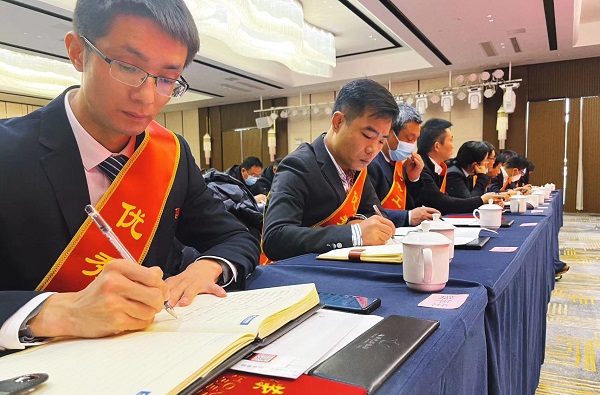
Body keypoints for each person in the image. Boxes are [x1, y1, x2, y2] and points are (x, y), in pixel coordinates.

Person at [0, 0, 259, 350]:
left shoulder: (172, 154)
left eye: (167, 78)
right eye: (127, 66)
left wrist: (205, 269)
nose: (146, 96)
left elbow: (236, 237)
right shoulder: (8, 152)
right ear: (78, 53)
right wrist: (63, 312)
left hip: (153, 355)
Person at [262, 79, 400, 262]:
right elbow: (275, 238)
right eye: (368, 136)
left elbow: (376, 213)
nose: (373, 149)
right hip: (297, 271)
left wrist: (359, 221)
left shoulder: (357, 167)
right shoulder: (299, 165)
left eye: (381, 141)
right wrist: (354, 233)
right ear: (338, 122)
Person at [407, 119, 502, 215]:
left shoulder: (436, 167)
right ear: (437, 146)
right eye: (451, 140)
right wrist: (481, 200)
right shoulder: (420, 167)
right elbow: (441, 203)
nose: (453, 146)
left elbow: (445, 199)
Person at [367, 103, 439, 224]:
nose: (411, 145)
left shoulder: (401, 164)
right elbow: (369, 211)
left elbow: (412, 204)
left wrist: (413, 179)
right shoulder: (371, 163)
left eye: (415, 140)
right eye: (409, 138)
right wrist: (408, 217)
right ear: (389, 132)